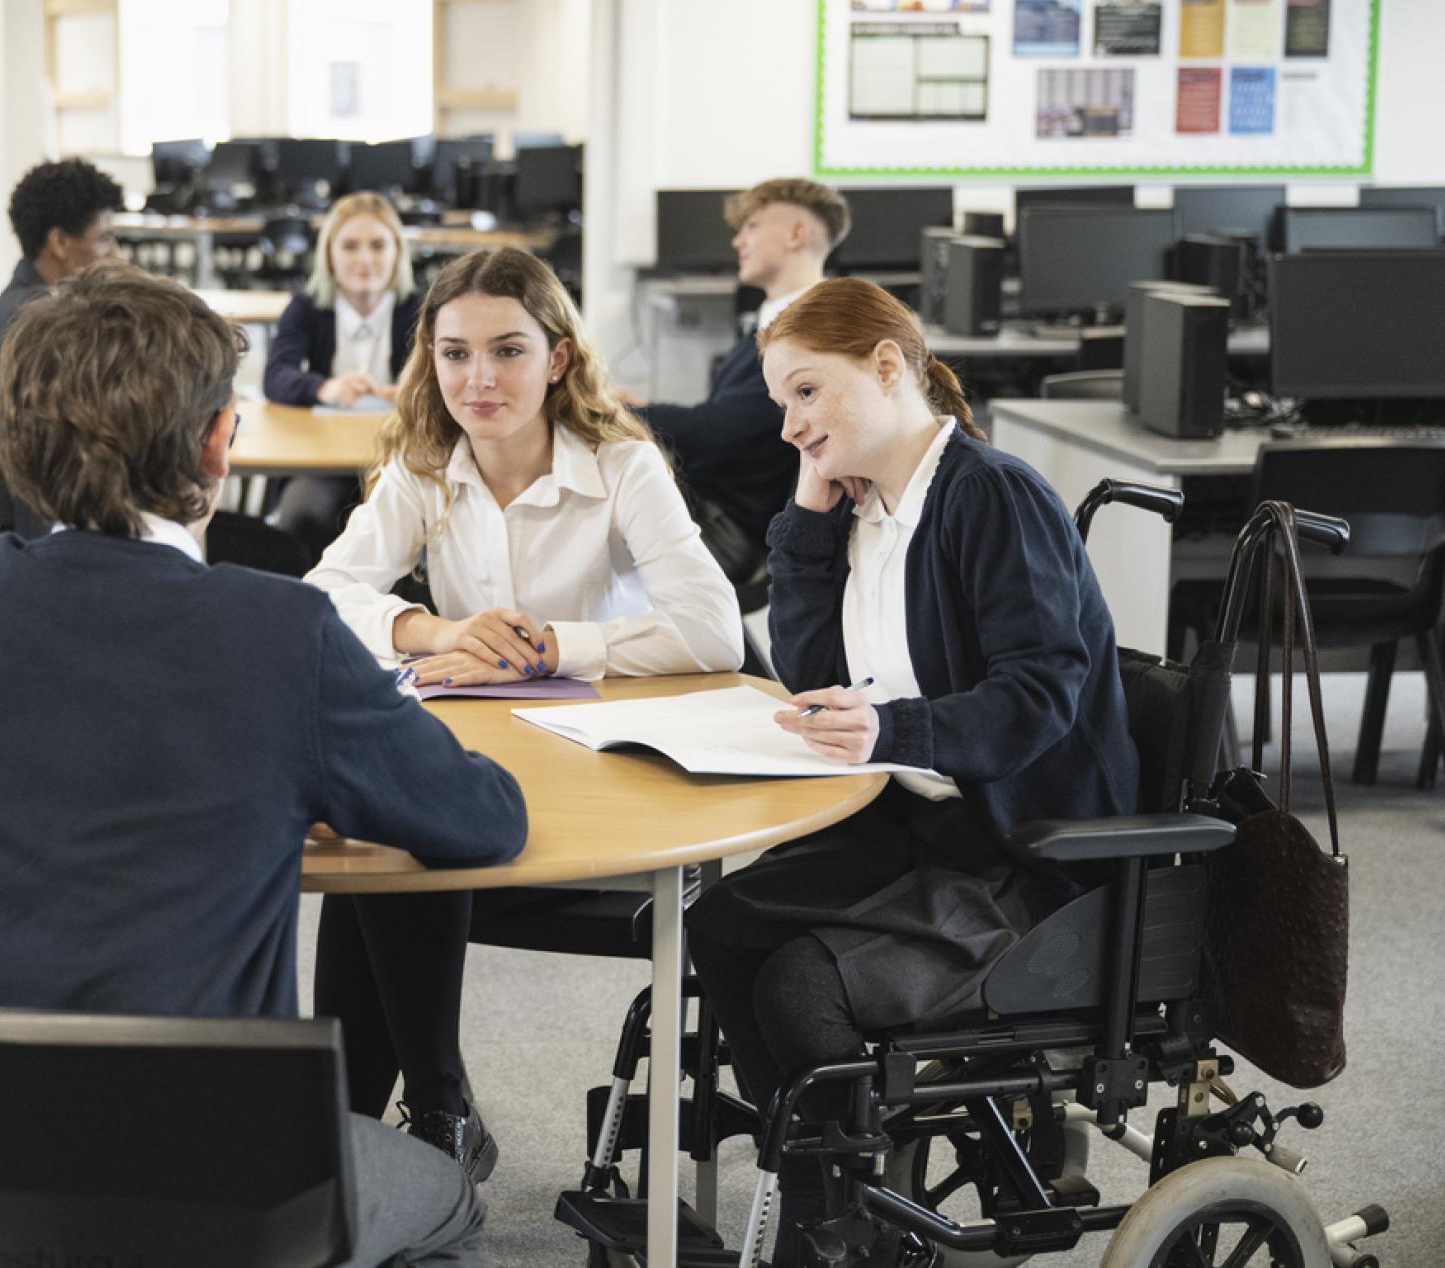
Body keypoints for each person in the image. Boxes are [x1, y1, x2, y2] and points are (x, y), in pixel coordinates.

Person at [0, 261, 525, 1268]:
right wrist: (306, 775)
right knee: (448, 1195)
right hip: (213, 1186)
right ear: (214, 443)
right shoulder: (277, 630)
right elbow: (485, 820)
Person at [684, 277, 1139, 1265]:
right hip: (914, 830)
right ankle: (825, 1199)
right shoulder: (865, 506)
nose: (788, 425)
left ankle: (850, 1228)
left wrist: (893, 727)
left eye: (806, 393)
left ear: (887, 366)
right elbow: (810, 680)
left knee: (797, 995)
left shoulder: (989, 494)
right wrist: (806, 513)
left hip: (1020, 854)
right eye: (779, 405)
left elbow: (1037, 698)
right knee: (709, 925)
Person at [304, 248, 743, 1176]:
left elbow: (716, 632)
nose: (479, 379)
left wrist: (556, 645)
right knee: (376, 831)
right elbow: (321, 595)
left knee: (400, 835)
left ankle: (402, 1113)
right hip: (481, 761)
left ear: (558, 359)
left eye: (507, 351)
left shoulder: (623, 467)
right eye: (455, 353)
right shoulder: (427, 467)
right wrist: (430, 627)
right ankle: (405, 1116)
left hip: (604, 776)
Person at [627, 178, 852, 590]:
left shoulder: (807, 334)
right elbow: (735, 418)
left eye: (751, 226)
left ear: (795, 233)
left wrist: (614, 413)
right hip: (715, 506)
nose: (737, 241)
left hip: (729, 527)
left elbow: (720, 433)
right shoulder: (774, 321)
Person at [262, 190, 425, 555]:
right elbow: (275, 377)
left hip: (401, 459)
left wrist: (416, 394)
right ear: (330, 256)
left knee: (410, 525)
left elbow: (449, 380)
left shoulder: (423, 309)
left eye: (378, 246)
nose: (364, 259)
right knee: (303, 513)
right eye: (350, 246)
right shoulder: (305, 307)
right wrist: (324, 389)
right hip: (322, 461)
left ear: (398, 253)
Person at [0, 157, 124, 437]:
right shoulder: (40, 323)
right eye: (104, 238)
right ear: (59, 242)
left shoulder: (22, 302)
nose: (116, 254)